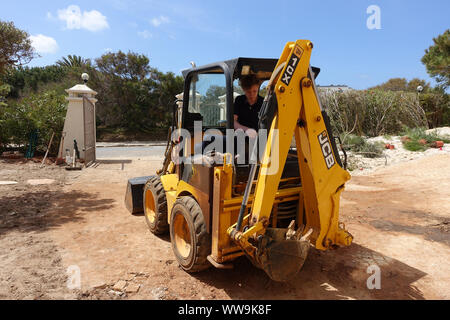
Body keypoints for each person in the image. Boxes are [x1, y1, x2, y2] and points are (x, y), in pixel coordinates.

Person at [234, 74, 263, 139]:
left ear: (258, 88)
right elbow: (233, 122)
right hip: (241, 136)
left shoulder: (263, 102)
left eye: (254, 91)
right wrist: (247, 130)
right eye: (248, 92)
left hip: (259, 138)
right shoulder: (239, 100)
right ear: (244, 90)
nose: (252, 95)